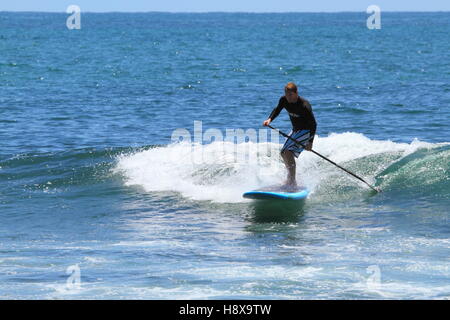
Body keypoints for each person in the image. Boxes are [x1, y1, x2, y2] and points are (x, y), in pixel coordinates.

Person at [263, 82, 317, 188]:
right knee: (283, 153)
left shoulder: (305, 105)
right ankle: (290, 178)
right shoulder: (283, 100)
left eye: (290, 95)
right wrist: (270, 119)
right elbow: (277, 109)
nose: (288, 97)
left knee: (288, 152)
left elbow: (313, 124)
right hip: (295, 130)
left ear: (296, 93)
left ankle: (292, 181)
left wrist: (310, 142)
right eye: (287, 95)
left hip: (306, 131)